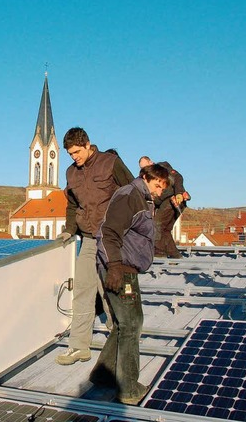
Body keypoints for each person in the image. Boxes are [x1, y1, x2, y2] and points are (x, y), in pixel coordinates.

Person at [89, 163, 170, 404]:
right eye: (157, 185)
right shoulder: (129, 196)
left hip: (123, 267)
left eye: (162, 188)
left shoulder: (142, 199)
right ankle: (130, 389)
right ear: (145, 178)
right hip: (119, 269)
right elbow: (110, 232)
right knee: (132, 324)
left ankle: (103, 374)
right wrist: (114, 266)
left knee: (124, 324)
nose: (159, 191)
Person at [55, 127, 134, 365]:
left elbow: (133, 192)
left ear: (88, 144)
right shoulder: (71, 173)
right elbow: (71, 205)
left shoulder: (110, 163)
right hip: (88, 239)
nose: (74, 157)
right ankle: (79, 346)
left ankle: (119, 336)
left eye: (77, 152)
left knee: (112, 288)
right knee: (82, 290)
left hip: (112, 240)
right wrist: (69, 229)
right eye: (70, 154)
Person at [138, 156, 190, 258]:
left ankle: (159, 253)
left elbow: (177, 178)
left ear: (151, 162)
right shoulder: (144, 177)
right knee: (165, 229)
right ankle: (175, 255)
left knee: (157, 224)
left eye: (146, 166)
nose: (145, 170)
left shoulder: (162, 168)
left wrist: (179, 193)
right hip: (162, 203)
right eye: (142, 168)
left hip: (172, 199)